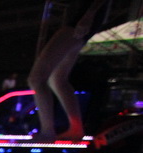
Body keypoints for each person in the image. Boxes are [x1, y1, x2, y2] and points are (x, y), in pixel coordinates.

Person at [28, 0, 111, 140]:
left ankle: (48, 131)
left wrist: (89, 14)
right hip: (84, 21)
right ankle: (76, 128)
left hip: (78, 22)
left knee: (36, 79)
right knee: (57, 80)